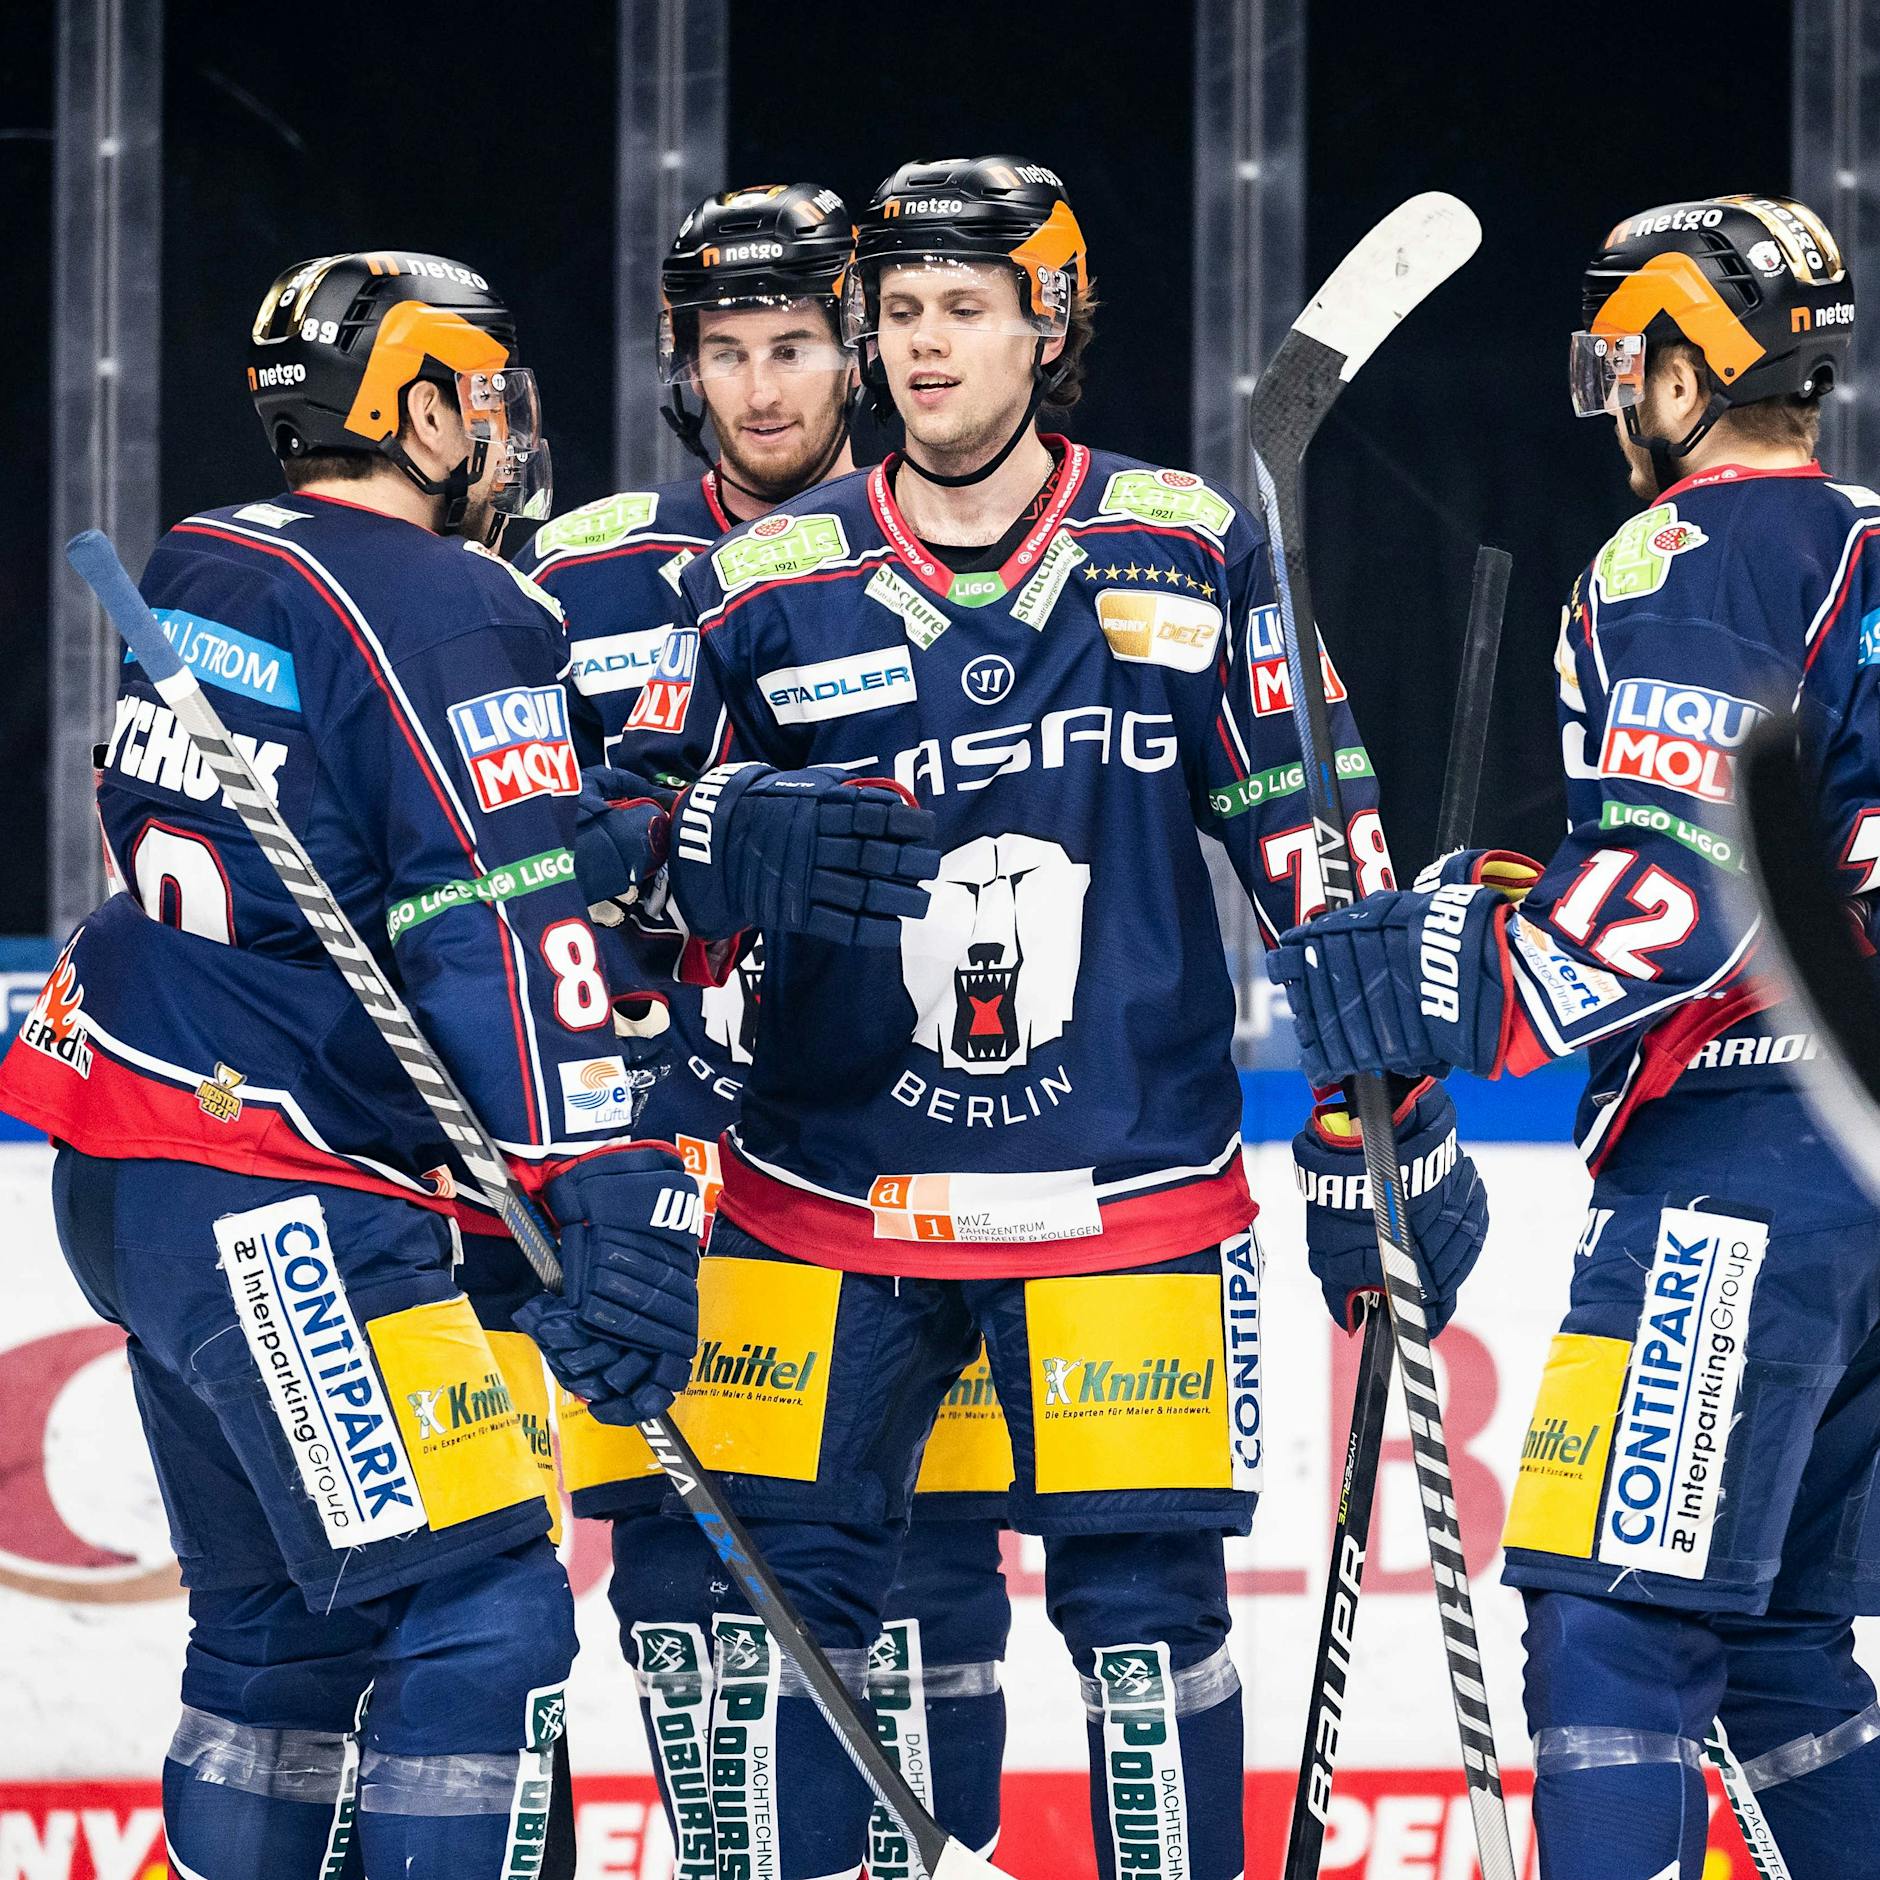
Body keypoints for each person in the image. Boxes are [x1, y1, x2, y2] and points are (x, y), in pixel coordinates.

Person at [610, 154, 1490, 1880]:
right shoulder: (769, 580)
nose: (922, 348)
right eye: (899, 314)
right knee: (798, 1622)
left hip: (1127, 1200)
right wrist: (702, 845)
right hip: (827, 1209)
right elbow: (601, 869)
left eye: (964, 310)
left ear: (1051, 321)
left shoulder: (1183, 540)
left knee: (1150, 1634)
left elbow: (1324, 848)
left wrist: (1388, 1117)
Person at [0, 250, 711, 1879]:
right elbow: (493, 927)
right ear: (413, 405)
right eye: (478, 392)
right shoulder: (451, 599)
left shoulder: (209, 560)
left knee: (278, 1652)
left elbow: (351, 842)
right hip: (282, 1201)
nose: (501, 431)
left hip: (133, 1168)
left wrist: (599, 831)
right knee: (480, 1612)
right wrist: (591, 1177)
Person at [1267, 196, 1880, 1879]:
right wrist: (1513, 889)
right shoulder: (1861, 540)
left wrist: (1464, 984)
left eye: (1629, 355)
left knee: (1615, 1621)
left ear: (1694, 363)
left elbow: (1689, 885)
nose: (1613, 392)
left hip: (1751, 1154)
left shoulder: (1693, 551)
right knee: (1774, 1650)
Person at [516, 184, 1013, 1871]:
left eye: (797, 344)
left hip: (904, 1135)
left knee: (935, 1559)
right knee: (676, 1563)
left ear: (857, 353)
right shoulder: (579, 570)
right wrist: (681, 842)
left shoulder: (966, 546)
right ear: (683, 366)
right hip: (657, 1143)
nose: (764, 391)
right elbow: (504, 838)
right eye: (727, 352)